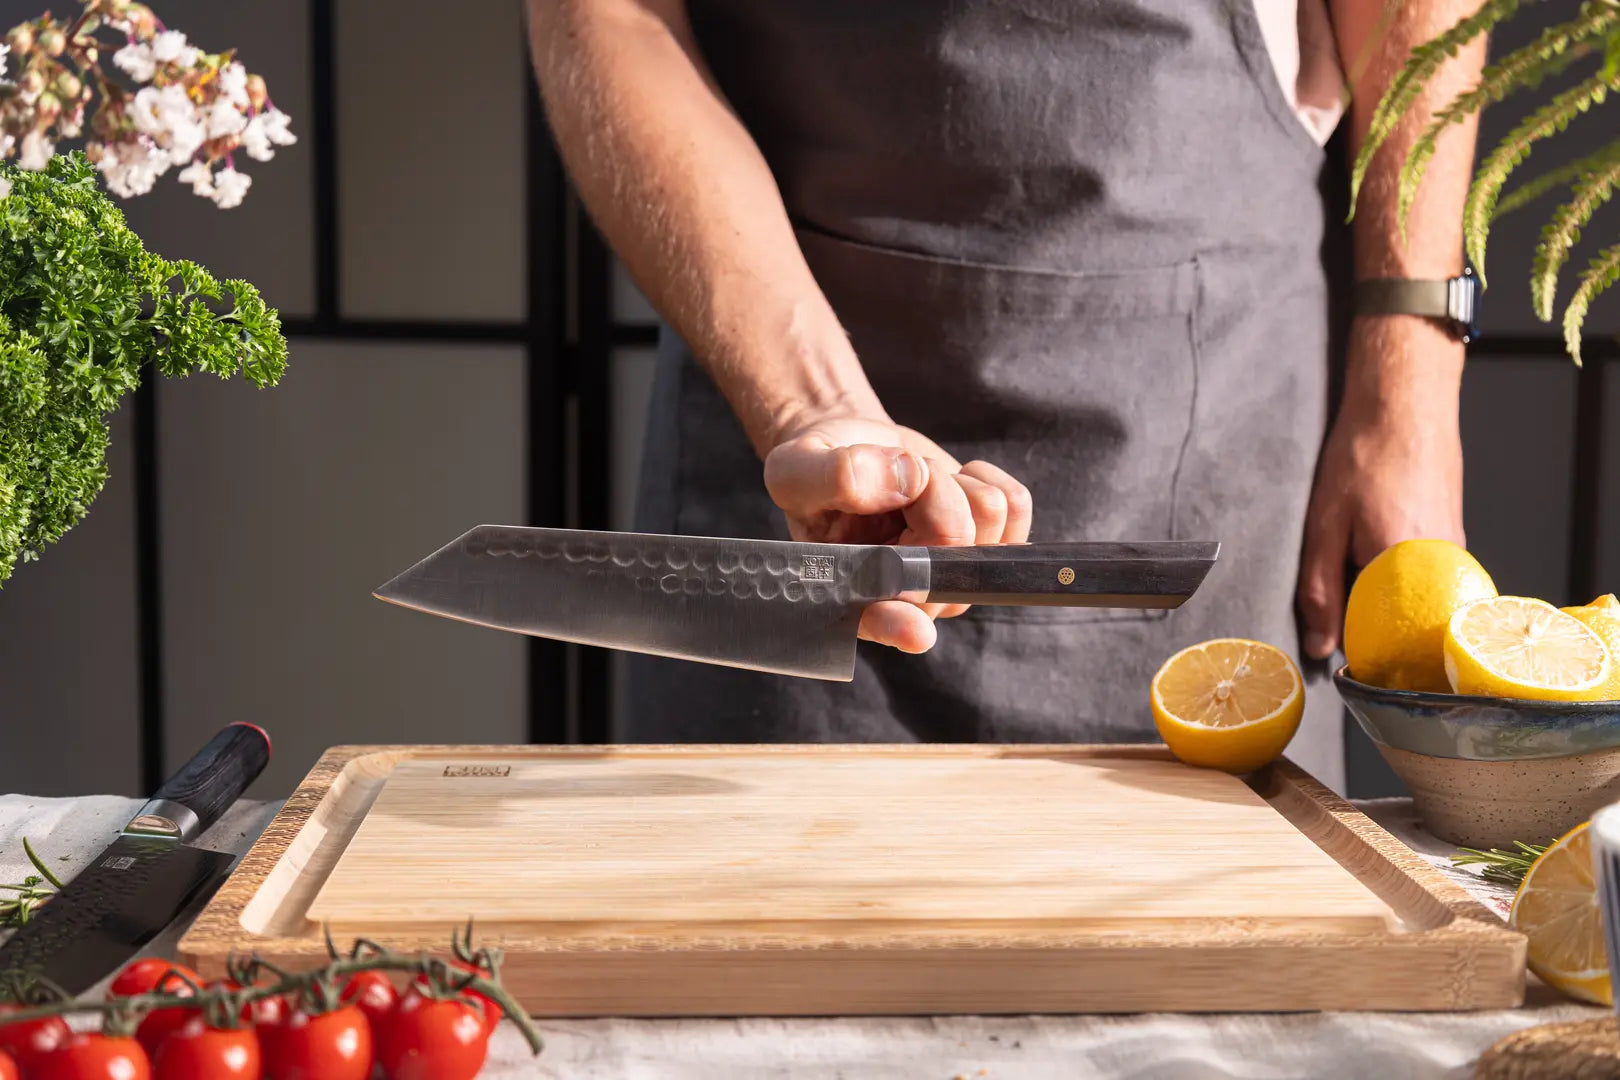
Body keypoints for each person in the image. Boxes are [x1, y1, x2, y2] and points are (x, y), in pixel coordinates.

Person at [526, 0, 1485, 793]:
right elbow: (609, 13)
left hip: (1206, 403)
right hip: (775, 414)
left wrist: (1411, 378)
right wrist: (807, 405)